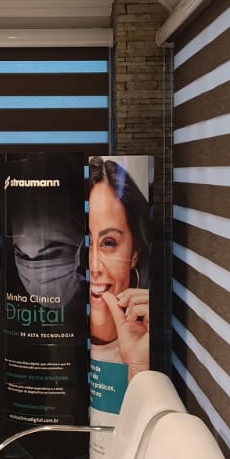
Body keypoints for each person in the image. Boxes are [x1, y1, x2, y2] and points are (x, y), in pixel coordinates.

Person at [87, 155, 151, 379]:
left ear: (134, 254)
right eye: (86, 242)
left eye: (108, 243)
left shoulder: (146, 338)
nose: (94, 266)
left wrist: (138, 366)